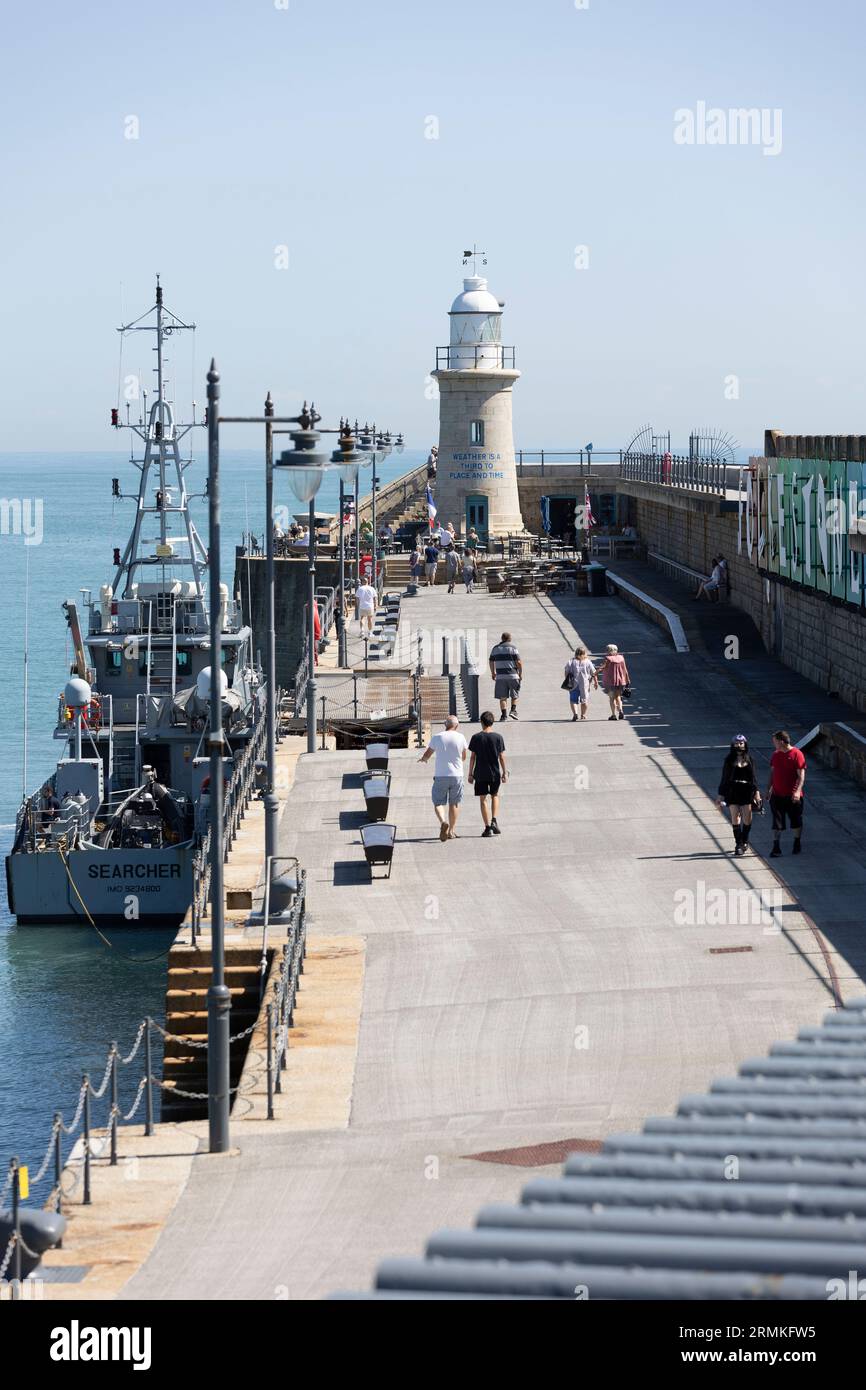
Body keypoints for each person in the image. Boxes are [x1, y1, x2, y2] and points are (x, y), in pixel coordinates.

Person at [419, 714, 468, 841]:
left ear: (445, 725)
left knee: (438, 802)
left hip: (441, 775)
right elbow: (464, 757)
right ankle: (451, 831)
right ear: (456, 725)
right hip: (457, 775)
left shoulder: (437, 737)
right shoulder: (461, 737)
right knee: (454, 803)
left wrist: (423, 759)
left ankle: (443, 822)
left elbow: (428, 753)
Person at [716, 735, 761, 856]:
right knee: (735, 817)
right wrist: (720, 795)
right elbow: (724, 778)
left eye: (741, 743)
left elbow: (753, 778)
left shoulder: (750, 759)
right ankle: (738, 844)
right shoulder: (729, 760)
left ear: (745, 745)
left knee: (747, 818)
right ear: (733, 745)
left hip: (746, 791)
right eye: (737, 743)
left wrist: (757, 793)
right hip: (733, 791)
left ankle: (745, 840)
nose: (739, 745)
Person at [468, 710, 508, 837]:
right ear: (492, 722)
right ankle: (494, 820)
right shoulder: (498, 737)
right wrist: (504, 772)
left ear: (481, 722)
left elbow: (472, 757)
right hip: (494, 772)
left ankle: (487, 828)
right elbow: (501, 756)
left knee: (483, 799)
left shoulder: (476, 737)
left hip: (480, 772)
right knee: (495, 795)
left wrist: (470, 773)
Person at [766, 729, 806, 856]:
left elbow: (801, 776)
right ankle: (776, 847)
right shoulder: (775, 755)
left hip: (793, 796)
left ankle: (797, 842)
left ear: (782, 742)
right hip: (777, 795)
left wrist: (797, 791)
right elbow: (772, 774)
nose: (774, 744)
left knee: (795, 821)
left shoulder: (797, 754)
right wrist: (768, 790)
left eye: (775, 742)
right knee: (776, 822)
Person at [489, 632, 522, 721]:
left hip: (500, 676)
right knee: (514, 695)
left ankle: (503, 716)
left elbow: (491, 661)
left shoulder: (495, 648)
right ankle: (513, 710)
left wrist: (493, 672)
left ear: (502, 638)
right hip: (513, 675)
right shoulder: (513, 648)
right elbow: (518, 662)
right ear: (509, 639)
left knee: (502, 697)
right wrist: (520, 674)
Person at [563, 645, 598, 722]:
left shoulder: (571, 661)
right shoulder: (588, 662)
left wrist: (567, 679)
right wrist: (596, 682)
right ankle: (583, 715)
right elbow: (594, 672)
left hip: (573, 683)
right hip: (584, 684)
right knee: (584, 700)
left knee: (573, 700)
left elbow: (566, 671)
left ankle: (575, 714)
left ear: (576, 653)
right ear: (584, 653)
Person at [598, 643, 630, 720]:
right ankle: (621, 711)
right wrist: (627, 679)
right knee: (618, 696)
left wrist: (596, 672)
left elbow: (602, 668)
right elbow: (625, 670)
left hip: (610, 682)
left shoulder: (608, 658)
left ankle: (613, 715)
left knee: (612, 698)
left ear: (609, 651)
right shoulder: (621, 658)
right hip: (620, 681)